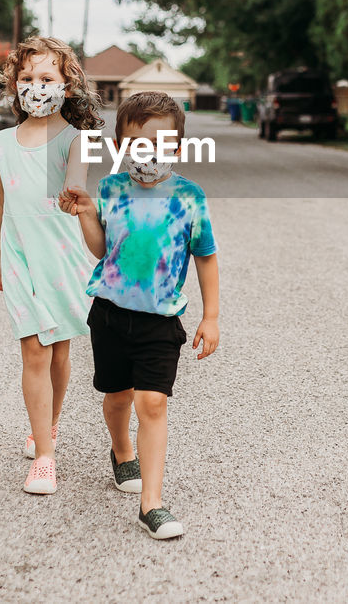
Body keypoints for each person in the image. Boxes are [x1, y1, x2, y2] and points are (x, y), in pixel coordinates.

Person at [58, 91, 220, 540]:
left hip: (159, 320)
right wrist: (87, 213)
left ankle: (153, 502)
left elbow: (205, 256)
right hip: (109, 313)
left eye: (159, 144)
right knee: (117, 397)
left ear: (178, 149)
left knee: (152, 402)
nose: (146, 154)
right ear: (118, 148)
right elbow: (101, 249)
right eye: (135, 144)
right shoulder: (111, 189)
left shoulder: (189, 197)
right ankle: (120, 450)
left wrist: (211, 316)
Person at [0, 37, 103, 495]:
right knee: (33, 347)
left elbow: (76, 183)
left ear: (67, 86)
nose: (35, 87)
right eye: (27, 78)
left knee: (58, 350)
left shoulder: (78, 140)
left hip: (61, 255)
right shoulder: (2, 141)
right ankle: (44, 458)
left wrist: (73, 191)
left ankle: (47, 425)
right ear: (14, 86)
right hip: (19, 254)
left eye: (46, 78)